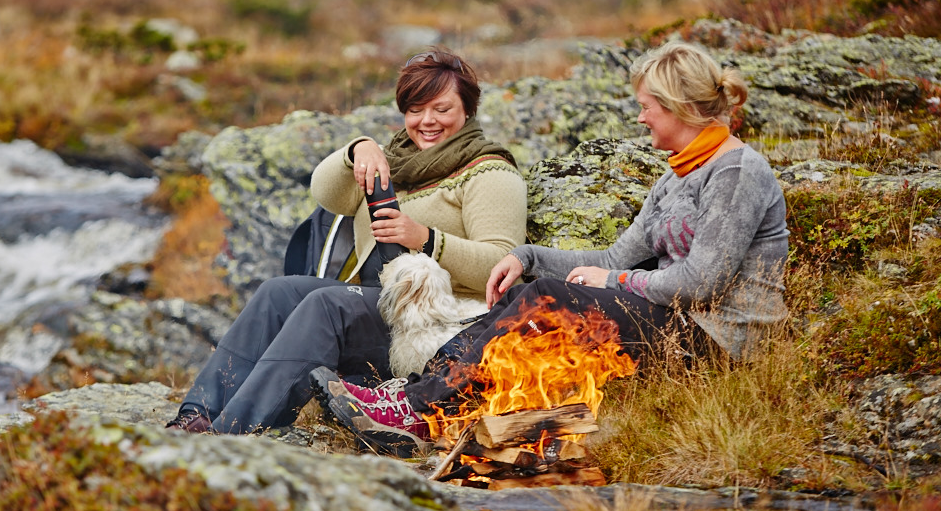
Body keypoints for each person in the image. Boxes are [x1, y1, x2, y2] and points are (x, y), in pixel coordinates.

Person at [313, 40, 790, 456]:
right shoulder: (677, 175)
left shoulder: (735, 171)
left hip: (717, 339)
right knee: (537, 288)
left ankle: (414, 411)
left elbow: (700, 283)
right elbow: (611, 259)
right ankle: (412, 399)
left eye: (648, 106)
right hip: (670, 316)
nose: (640, 116)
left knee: (552, 301)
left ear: (679, 106)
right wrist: (526, 256)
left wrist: (616, 283)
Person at [167, 49, 527, 435]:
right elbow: (328, 194)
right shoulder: (394, 164)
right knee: (278, 292)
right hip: (382, 304)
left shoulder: (490, 173)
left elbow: (502, 266)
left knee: (329, 303)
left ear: (468, 110)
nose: (427, 121)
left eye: (441, 109)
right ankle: (195, 413)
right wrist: (358, 149)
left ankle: (233, 429)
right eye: (415, 109)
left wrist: (425, 239)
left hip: (441, 322)